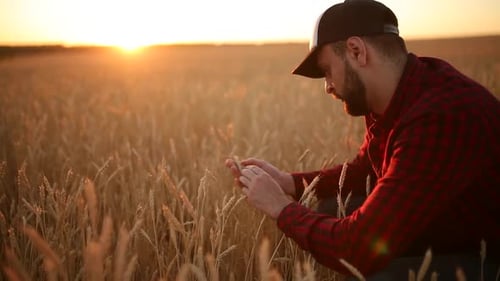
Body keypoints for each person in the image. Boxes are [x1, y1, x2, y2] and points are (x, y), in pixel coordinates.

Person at [225, 0, 500, 280]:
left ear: (357, 51)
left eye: (328, 70)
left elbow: (356, 248)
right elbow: (366, 170)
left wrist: (281, 208)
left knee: (379, 276)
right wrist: (290, 183)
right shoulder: (397, 93)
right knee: (331, 206)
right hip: (453, 226)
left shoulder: (441, 116)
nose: (328, 86)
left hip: (488, 256)